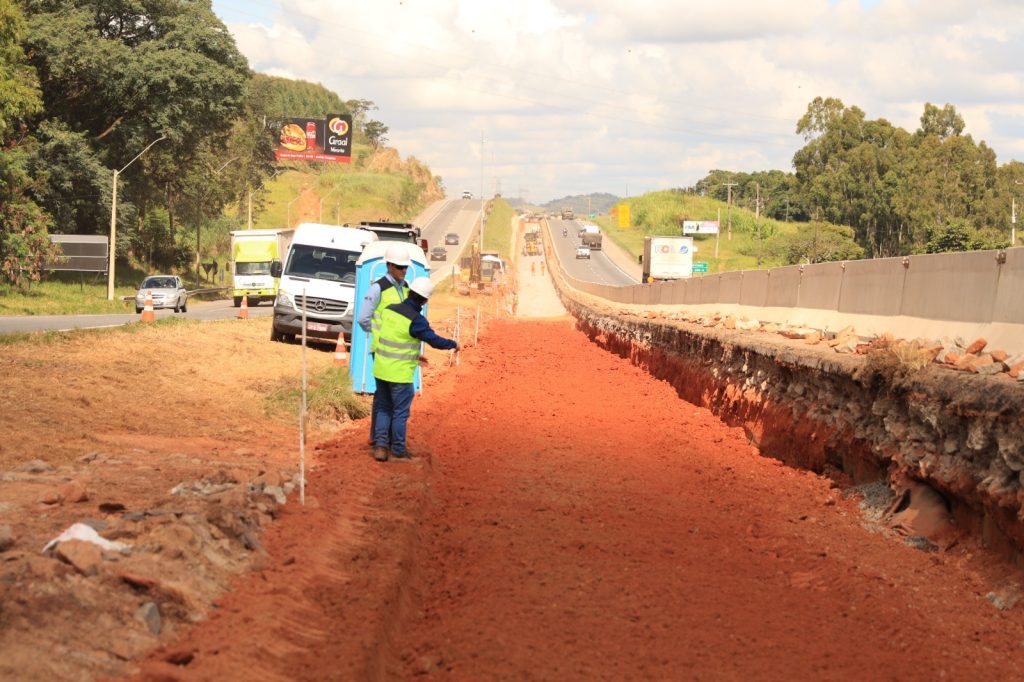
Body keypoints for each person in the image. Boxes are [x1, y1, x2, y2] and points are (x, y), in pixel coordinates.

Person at [372, 277, 459, 462]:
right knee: (400, 412)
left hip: (380, 369)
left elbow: (395, 340)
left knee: (383, 407)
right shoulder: (416, 320)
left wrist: (414, 355)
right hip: (399, 374)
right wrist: (454, 344)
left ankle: (380, 447)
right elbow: (434, 341)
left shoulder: (389, 310)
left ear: (409, 291)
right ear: (425, 300)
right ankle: (398, 449)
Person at [357, 244, 413, 446]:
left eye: (405, 267)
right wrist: (380, 334)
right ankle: (381, 441)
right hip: (381, 352)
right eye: (399, 267)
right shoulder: (378, 288)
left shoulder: (405, 289)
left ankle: (382, 439)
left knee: (387, 398)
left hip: (401, 354)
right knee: (385, 399)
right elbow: (363, 318)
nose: (403, 271)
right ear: (389, 266)